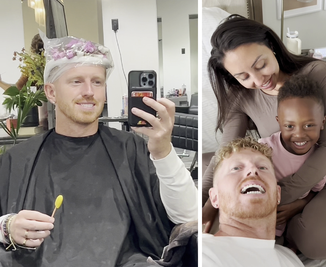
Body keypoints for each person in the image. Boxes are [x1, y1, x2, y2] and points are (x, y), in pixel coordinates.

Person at [0, 35, 197, 266]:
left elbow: (188, 217)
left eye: (97, 82)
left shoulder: (130, 149)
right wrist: (6, 227)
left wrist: (163, 151)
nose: (89, 91)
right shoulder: (20, 159)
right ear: (51, 92)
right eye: (76, 82)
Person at [203, 14, 326, 259]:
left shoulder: (316, 73)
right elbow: (226, 152)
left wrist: (276, 198)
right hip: (275, 178)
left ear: (271, 46)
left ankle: (296, 218)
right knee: (214, 185)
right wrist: (204, 207)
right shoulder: (240, 96)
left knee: (320, 244)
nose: (258, 80)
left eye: (260, 65)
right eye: (243, 77)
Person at [202, 137, 304, 267]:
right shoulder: (204, 253)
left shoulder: (289, 257)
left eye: (262, 167)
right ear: (215, 197)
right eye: (236, 168)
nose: (252, 170)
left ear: (278, 194)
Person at [258, 74, 326, 238]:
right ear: (279, 122)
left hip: (280, 227)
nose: (299, 134)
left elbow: (315, 191)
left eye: (309, 125)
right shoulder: (264, 149)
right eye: (289, 126)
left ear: (323, 122)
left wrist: (299, 204)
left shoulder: (321, 160)